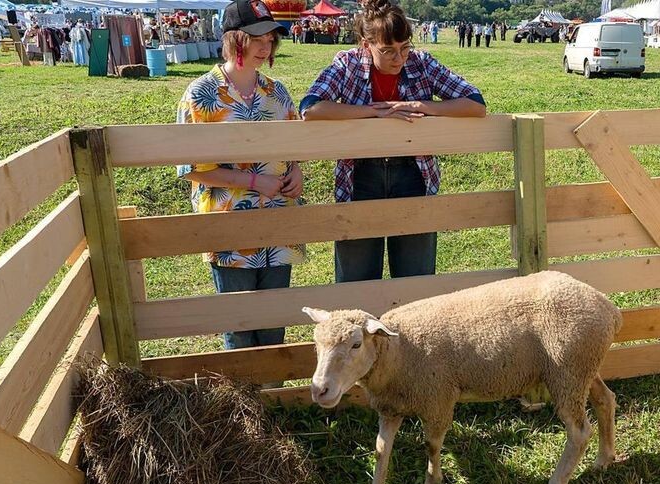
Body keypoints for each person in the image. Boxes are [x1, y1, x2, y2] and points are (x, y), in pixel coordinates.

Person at [299, 0, 485, 283]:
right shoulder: (346, 63)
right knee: (356, 277)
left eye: (404, 47)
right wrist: (371, 111)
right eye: (387, 51)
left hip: (413, 173)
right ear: (366, 44)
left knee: (415, 278)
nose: (399, 58)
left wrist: (422, 106)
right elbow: (310, 107)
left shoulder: (422, 62)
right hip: (359, 176)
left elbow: (475, 104)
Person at [176, 0, 305, 351]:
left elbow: (296, 146)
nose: (266, 46)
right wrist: (253, 182)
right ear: (235, 39)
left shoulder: (277, 92)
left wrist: (296, 171)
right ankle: (245, 402)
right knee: (238, 320)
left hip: (279, 222)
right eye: (257, 37)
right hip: (229, 227)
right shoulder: (201, 94)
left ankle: (273, 396)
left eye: (271, 38)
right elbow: (191, 170)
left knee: (275, 317)